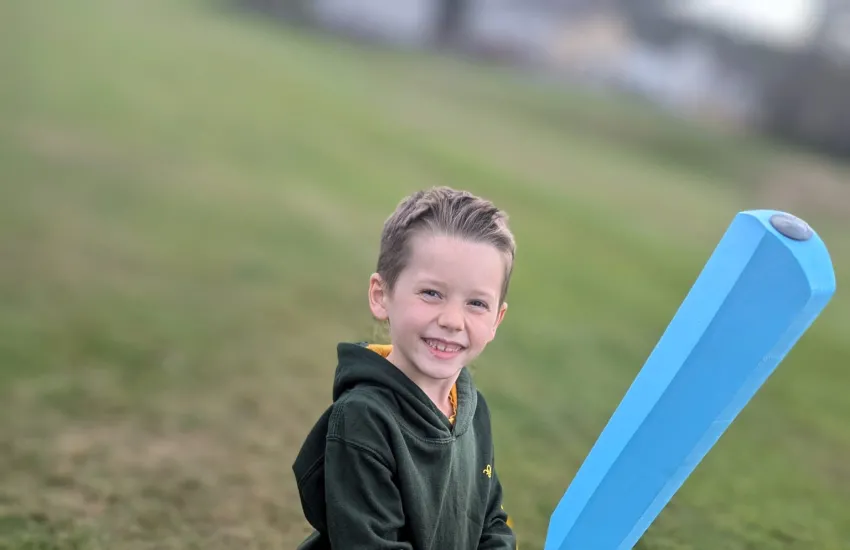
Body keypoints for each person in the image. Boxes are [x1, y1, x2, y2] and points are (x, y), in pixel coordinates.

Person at [293, 186, 518, 549]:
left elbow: (490, 520)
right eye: (431, 293)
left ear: (497, 319)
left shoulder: (474, 412)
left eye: (476, 303)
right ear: (382, 296)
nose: (452, 320)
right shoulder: (363, 421)